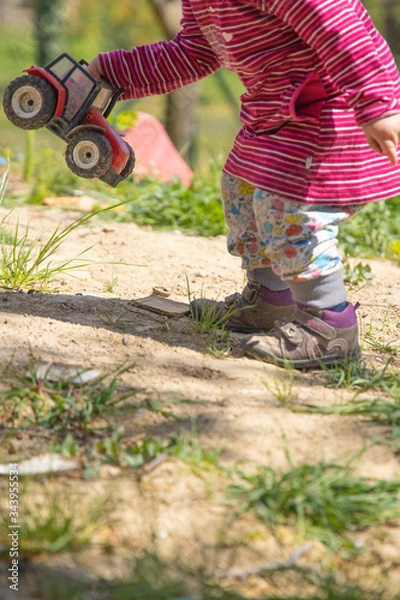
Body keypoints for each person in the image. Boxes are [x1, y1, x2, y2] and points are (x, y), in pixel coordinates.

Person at [87, 0, 400, 369]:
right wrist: (114, 72)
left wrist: (379, 105)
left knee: (289, 210)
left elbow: (340, 25)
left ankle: (329, 325)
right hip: (274, 119)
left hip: (327, 114)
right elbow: (193, 52)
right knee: (242, 189)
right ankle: (271, 298)